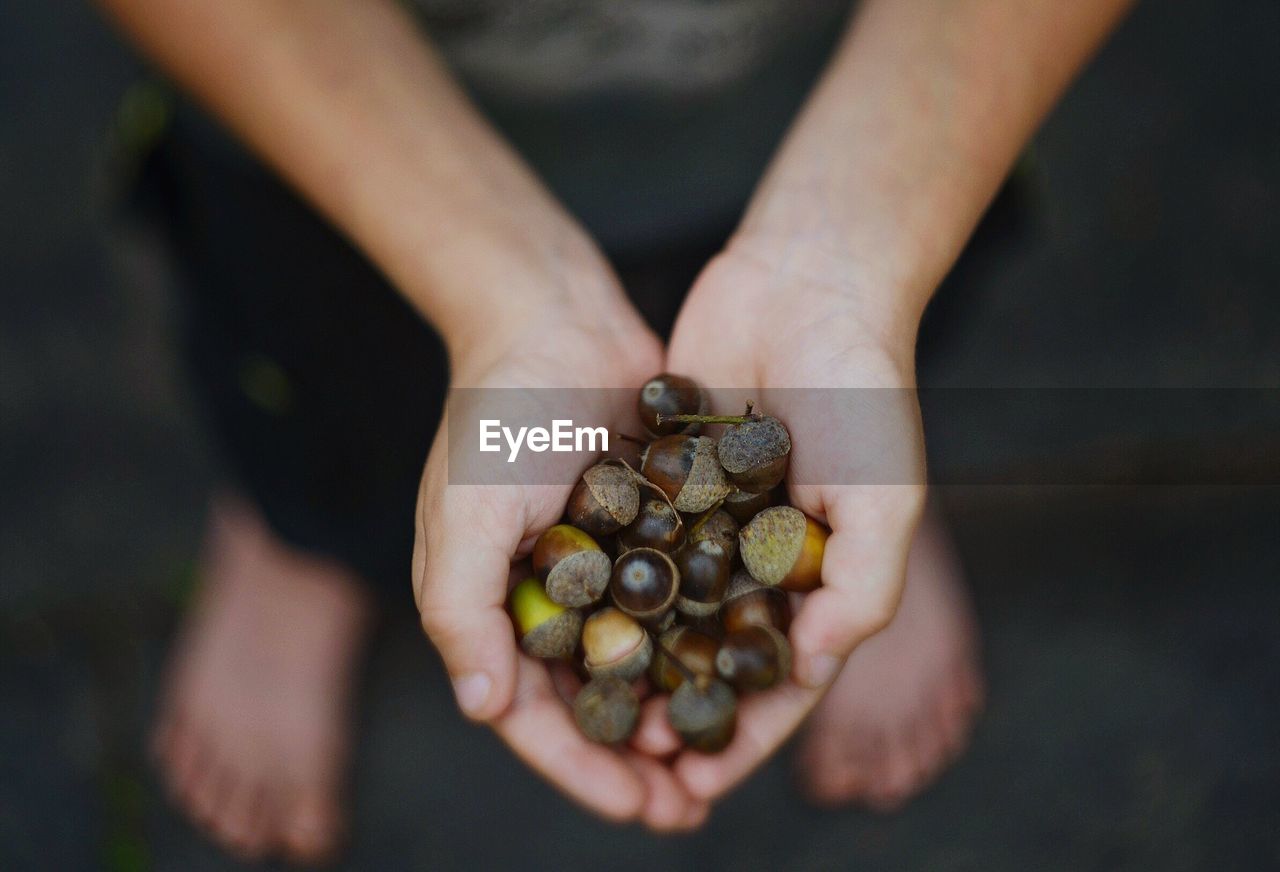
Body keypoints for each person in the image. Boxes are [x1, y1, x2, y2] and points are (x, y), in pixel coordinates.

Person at [97, 0, 1132, 863]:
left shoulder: (687, 504)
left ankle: (852, 498)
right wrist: (502, 299)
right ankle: (302, 521)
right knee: (321, 361)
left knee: (857, 366)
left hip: (845, 107)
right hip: (317, 122)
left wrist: (853, 256)